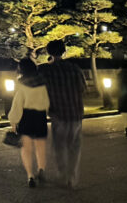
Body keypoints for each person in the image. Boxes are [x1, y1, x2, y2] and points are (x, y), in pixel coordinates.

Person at [40, 40, 85, 188]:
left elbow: (40, 90)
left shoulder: (45, 70)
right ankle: (71, 177)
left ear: (49, 53)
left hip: (58, 113)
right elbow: (83, 88)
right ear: (64, 51)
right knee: (74, 147)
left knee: (60, 146)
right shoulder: (75, 68)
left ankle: (63, 174)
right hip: (76, 112)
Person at [9, 58, 50, 188]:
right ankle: (41, 169)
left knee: (26, 148)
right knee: (40, 146)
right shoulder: (43, 82)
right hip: (40, 115)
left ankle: (30, 176)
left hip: (26, 116)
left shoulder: (21, 84)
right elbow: (47, 101)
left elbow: (17, 104)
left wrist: (13, 121)